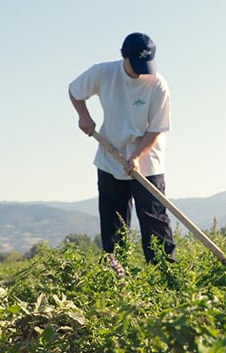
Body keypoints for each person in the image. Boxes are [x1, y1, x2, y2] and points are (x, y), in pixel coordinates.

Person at [68, 32, 175, 266]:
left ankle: (166, 275)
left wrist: (136, 156)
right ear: (123, 56)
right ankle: (117, 277)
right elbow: (74, 91)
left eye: (145, 65)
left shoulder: (157, 84)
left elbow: (156, 129)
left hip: (147, 158)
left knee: (154, 220)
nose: (141, 71)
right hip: (110, 155)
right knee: (113, 222)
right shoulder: (103, 72)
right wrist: (84, 117)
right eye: (136, 65)